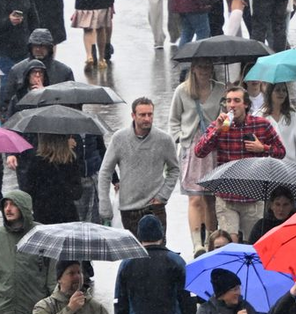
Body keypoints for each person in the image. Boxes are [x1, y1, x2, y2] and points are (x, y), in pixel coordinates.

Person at [193, 84, 285, 240]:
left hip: (252, 196)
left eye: (236, 101)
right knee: (231, 243)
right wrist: (217, 131)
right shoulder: (219, 125)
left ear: (246, 104)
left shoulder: (261, 124)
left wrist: (262, 147)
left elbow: (281, 152)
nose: (232, 105)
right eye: (228, 101)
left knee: (253, 245)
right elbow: (199, 152)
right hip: (227, 196)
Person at [97, 97, 181, 237]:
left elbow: (174, 169)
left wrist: (163, 196)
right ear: (133, 115)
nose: (147, 118)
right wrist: (105, 206)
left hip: (155, 207)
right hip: (128, 208)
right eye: (142, 115)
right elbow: (105, 171)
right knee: (134, 254)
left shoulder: (164, 140)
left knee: (157, 252)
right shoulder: (119, 138)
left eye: (150, 114)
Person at [169, 59, 225, 255]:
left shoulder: (220, 90)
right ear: (193, 69)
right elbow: (174, 120)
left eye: (208, 66)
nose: (204, 70)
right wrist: (180, 139)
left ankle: (211, 240)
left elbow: (226, 117)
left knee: (210, 199)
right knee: (194, 198)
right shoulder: (182, 91)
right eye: (201, 66)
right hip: (191, 148)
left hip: (213, 148)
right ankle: (197, 245)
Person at [24, 132, 84, 226]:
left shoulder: (37, 162)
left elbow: (28, 192)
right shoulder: (71, 160)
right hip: (68, 217)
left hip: (43, 217)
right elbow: (77, 193)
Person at [259, 82, 296, 163]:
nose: (281, 93)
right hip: (268, 166)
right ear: (270, 93)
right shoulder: (259, 116)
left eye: (284, 90)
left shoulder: (294, 115)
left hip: (291, 166)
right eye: (277, 90)